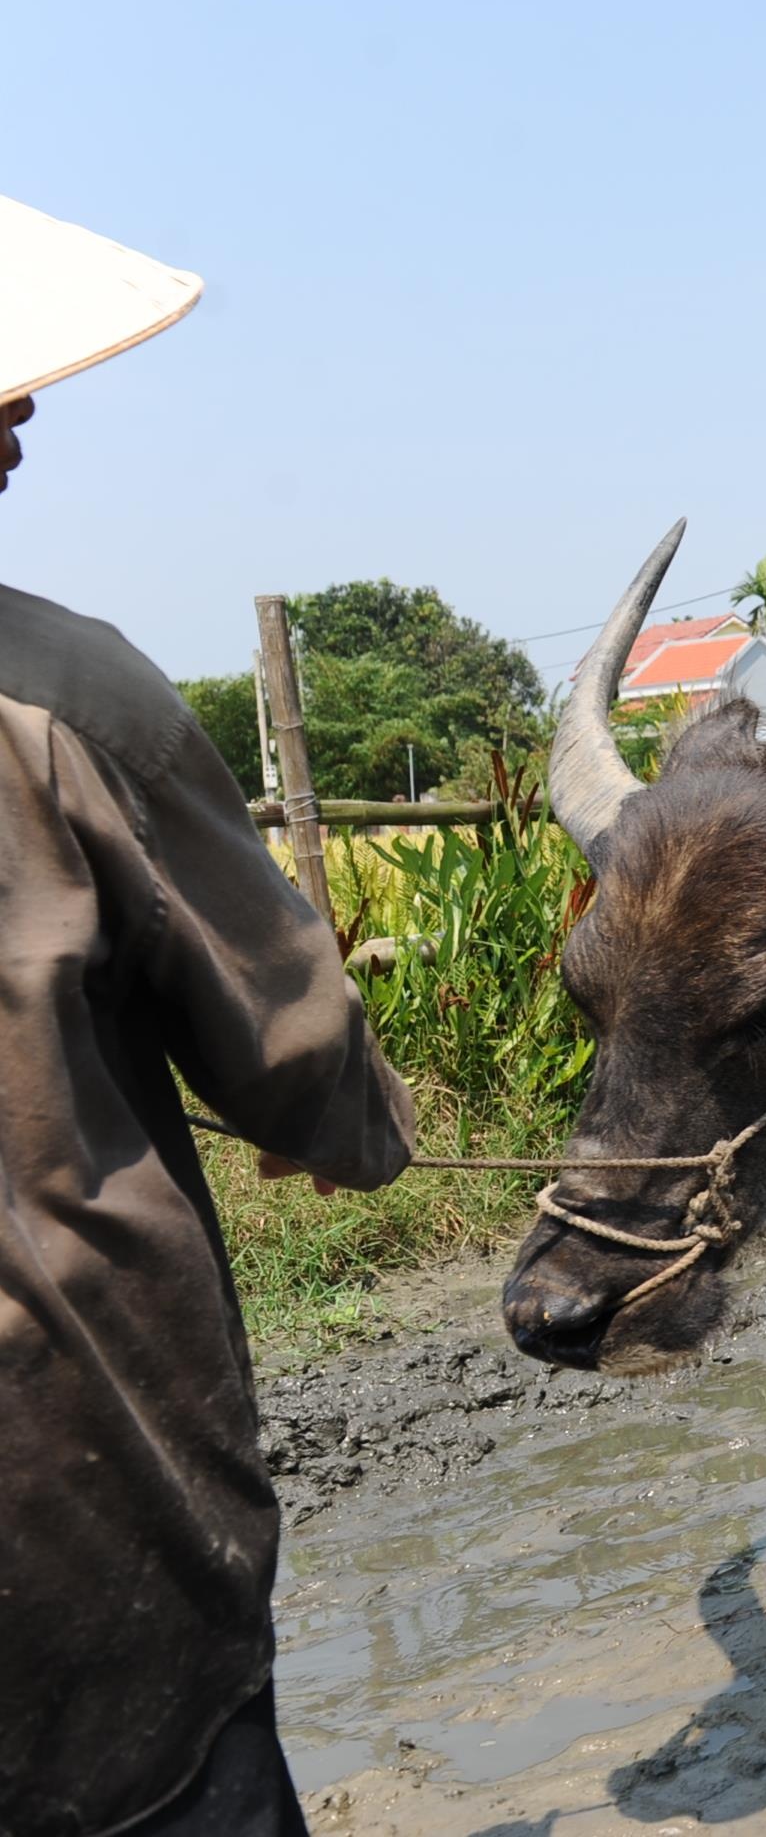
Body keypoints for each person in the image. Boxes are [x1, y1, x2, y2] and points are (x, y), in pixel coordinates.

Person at [0, 198, 418, 1837]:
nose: (22, 411)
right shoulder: (60, 697)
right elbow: (293, 1049)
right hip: (71, 1511)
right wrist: (352, 1134)